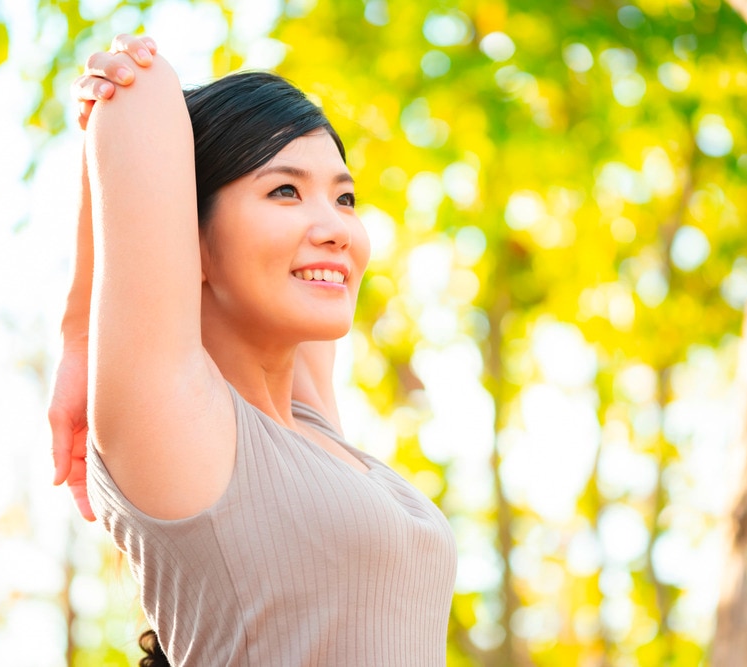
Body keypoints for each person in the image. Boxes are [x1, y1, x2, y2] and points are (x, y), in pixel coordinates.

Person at [48, 34, 457, 665]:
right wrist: (80, 338)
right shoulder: (181, 426)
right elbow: (137, 87)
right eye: (285, 191)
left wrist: (82, 337)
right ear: (192, 239)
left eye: (345, 197)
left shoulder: (309, 424)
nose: (336, 229)